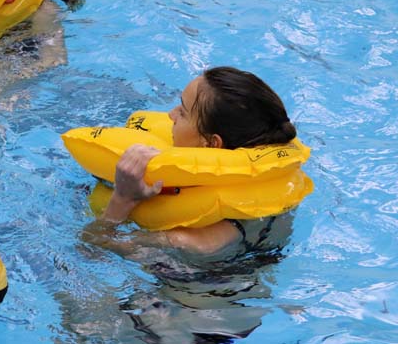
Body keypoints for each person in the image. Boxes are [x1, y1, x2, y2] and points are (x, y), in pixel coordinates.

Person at [96, 66, 298, 254]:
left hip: (183, 289)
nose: (171, 115)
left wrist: (123, 198)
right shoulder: (272, 184)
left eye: (183, 112)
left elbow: (94, 247)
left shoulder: (185, 241)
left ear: (210, 144)